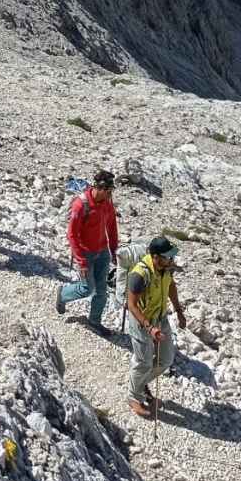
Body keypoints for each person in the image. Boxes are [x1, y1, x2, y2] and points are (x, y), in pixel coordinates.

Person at [125, 236, 186, 418]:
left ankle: (141, 384)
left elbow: (171, 287)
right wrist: (149, 328)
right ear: (156, 257)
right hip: (142, 322)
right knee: (143, 361)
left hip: (161, 318)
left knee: (165, 360)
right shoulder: (139, 275)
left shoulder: (166, 269)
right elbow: (132, 305)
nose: (171, 260)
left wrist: (179, 311)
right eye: (167, 257)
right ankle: (133, 396)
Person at [54, 170, 119, 330]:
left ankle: (94, 321)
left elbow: (111, 226)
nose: (110, 194)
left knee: (101, 291)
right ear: (101, 188)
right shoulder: (81, 205)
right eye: (109, 191)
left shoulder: (107, 204)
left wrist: (113, 249)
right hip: (86, 253)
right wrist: (81, 262)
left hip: (102, 251)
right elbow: (72, 234)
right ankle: (63, 294)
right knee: (87, 288)